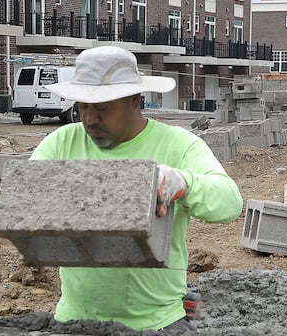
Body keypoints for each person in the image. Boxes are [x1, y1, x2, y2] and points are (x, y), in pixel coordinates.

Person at [29, 45, 243, 332]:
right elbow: (13, 199)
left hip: (157, 323)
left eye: (102, 108)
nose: (90, 119)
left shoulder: (177, 144)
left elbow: (230, 203)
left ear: (134, 100)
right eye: (83, 106)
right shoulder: (62, 142)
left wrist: (185, 183)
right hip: (76, 321)